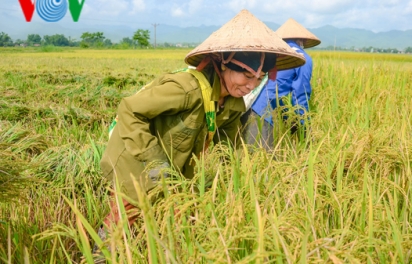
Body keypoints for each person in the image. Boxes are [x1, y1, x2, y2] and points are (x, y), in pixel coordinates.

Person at [95, 9, 305, 252]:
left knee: (174, 217)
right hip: (135, 156)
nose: (251, 85)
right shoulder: (186, 90)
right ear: (223, 63)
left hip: (174, 163)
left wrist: (244, 183)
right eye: (246, 75)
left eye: (259, 80)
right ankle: (99, 256)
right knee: (125, 218)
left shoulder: (233, 105)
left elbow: (228, 149)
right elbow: (130, 110)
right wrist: (159, 169)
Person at [241, 18, 321, 149]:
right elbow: (300, 94)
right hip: (262, 112)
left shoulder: (272, 54)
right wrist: (302, 125)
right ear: (303, 41)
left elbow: (274, 90)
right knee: (265, 162)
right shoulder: (302, 58)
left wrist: (287, 117)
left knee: (244, 157)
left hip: (245, 105)